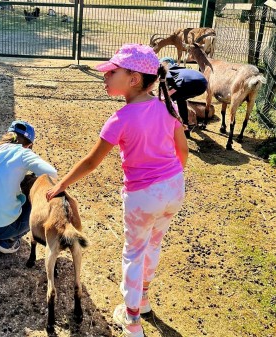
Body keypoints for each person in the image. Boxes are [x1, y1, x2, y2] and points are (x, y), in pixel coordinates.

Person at [45, 44, 188, 337]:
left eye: (112, 72)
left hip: (143, 197)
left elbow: (91, 162)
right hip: (173, 190)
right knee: (153, 245)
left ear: (134, 79)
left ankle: (132, 321)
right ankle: (144, 300)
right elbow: (182, 152)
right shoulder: (166, 108)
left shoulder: (119, 120)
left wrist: (61, 184)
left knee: (134, 253)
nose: (105, 77)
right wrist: (168, 179)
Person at [0, 120, 57, 254]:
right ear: (29, 145)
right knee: (39, 199)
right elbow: (52, 173)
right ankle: (7, 240)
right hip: (0, 226)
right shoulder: (23, 153)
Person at [159, 56, 208, 138]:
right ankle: (186, 129)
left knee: (167, 103)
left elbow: (172, 87)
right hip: (203, 83)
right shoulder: (180, 69)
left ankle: (168, 128)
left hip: (189, 84)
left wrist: (164, 98)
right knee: (181, 100)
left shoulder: (168, 71)